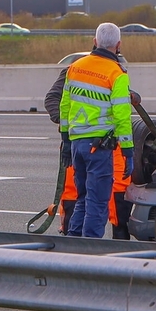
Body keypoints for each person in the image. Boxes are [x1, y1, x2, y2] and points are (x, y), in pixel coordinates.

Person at [58, 23, 135, 238]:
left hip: (76, 144)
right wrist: (128, 151)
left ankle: (74, 243)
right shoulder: (116, 73)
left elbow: (64, 106)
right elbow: (122, 117)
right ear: (118, 45)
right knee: (98, 201)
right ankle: (91, 249)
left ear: (95, 42)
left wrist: (66, 140)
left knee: (82, 197)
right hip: (99, 147)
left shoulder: (75, 67)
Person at [44, 63, 134, 239]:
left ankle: (118, 250)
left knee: (117, 205)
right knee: (79, 198)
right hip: (77, 145)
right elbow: (53, 100)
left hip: (105, 146)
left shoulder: (112, 72)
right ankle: (81, 248)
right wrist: (69, 126)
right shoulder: (75, 70)